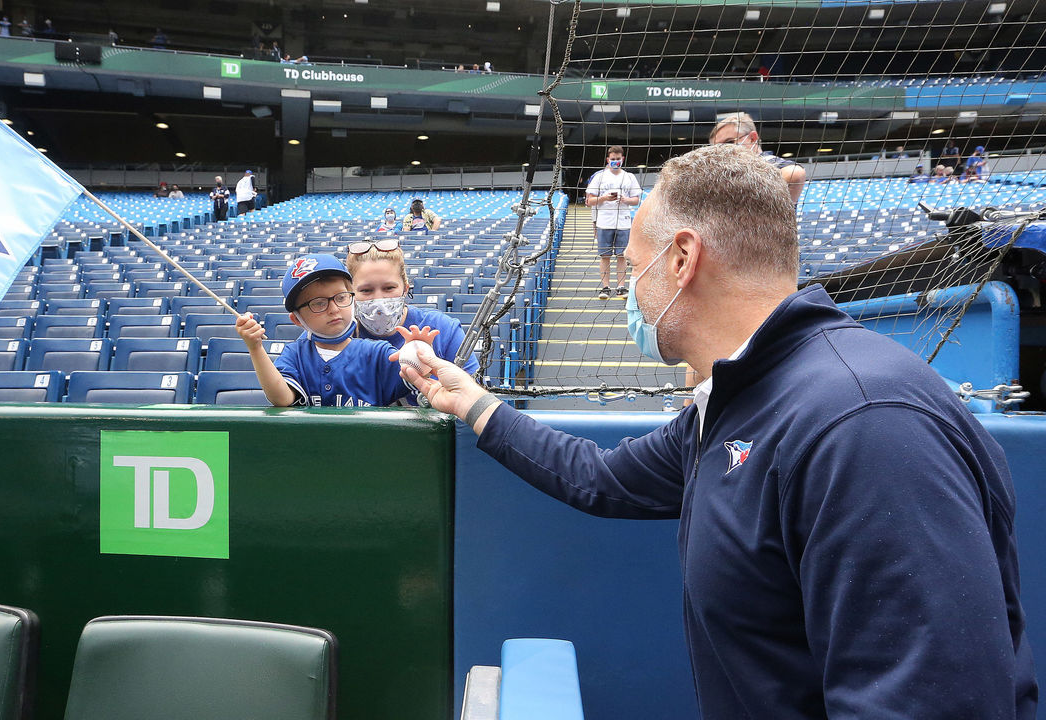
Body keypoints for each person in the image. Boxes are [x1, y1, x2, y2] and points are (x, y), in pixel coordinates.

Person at [398, 143, 1036, 720]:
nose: (630, 291)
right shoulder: (741, 397)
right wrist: (473, 402)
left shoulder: (866, 424)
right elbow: (601, 478)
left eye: (636, 263)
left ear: (681, 259)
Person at [233, 253, 431, 407]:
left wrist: (420, 357)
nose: (334, 309)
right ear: (297, 319)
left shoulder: (377, 352)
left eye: (341, 297)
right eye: (318, 303)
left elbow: (416, 379)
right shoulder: (295, 355)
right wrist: (255, 348)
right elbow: (281, 398)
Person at [345, 238, 479, 384]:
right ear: (350, 293)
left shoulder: (444, 329)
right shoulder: (342, 337)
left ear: (405, 288)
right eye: (366, 290)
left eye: (389, 288)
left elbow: (476, 393)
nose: (379, 300)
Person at [709, 111, 806, 204]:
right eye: (718, 148)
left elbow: (795, 174)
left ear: (752, 138)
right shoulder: (723, 172)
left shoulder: (772, 163)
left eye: (729, 142)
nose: (724, 151)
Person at [585, 145, 641, 300]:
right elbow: (589, 200)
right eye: (612, 159)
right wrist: (604, 198)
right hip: (604, 222)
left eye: (618, 159)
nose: (615, 161)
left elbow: (636, 200)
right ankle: (605, 287)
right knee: (605, 256)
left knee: (622, 256)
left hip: (623, 222)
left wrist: (625, 199)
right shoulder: (600, 177)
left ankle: (621, 287)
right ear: (607, 159)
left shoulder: (629, 177)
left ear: (622, 159)